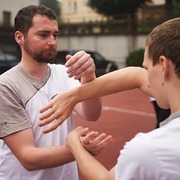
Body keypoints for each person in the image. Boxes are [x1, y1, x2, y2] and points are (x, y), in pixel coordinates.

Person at [41, 17, 180, 179]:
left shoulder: (150, 149)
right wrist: (75, 95)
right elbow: (134, 76)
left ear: (163, 65)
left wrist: (74, 144)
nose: (146, 77)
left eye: (147, 68)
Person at [0, 5, 113, 180]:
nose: (52, 41)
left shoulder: (63, 72)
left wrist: (89, 76)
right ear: (19, 37)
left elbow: (91, 114)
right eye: (43, 35)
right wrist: (79, 148)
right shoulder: (6, 85)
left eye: (55, 35)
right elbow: (28, 157)